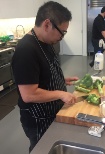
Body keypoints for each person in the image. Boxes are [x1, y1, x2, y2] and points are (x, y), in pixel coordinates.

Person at [11, 1, 78, 153]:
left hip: (52, 111)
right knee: (41, 149)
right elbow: (29, 95)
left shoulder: (46, 41)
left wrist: (62, 80)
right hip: (38, 118)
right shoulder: (26, 50)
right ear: (47, 24)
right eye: (62, 32)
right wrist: (61, 93)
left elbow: (42, 74)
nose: (62, 37)